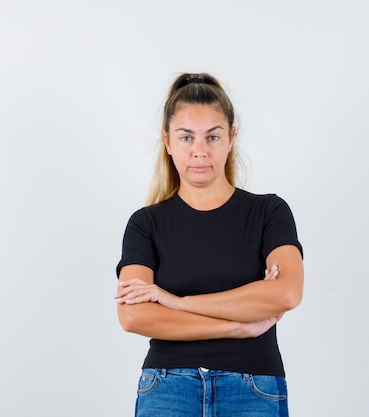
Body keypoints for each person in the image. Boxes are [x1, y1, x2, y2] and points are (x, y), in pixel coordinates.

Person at [114, 73, 304, 417]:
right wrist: (237, 325)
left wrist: (175, 302)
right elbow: (133, 315)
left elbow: (286, 294)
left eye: (212, 136)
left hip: (253, 387)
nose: (199, 151)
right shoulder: (146, 223)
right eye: (186, 137)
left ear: (232, 136)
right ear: (167, 141)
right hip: (168, 386)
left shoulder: (268, 212)